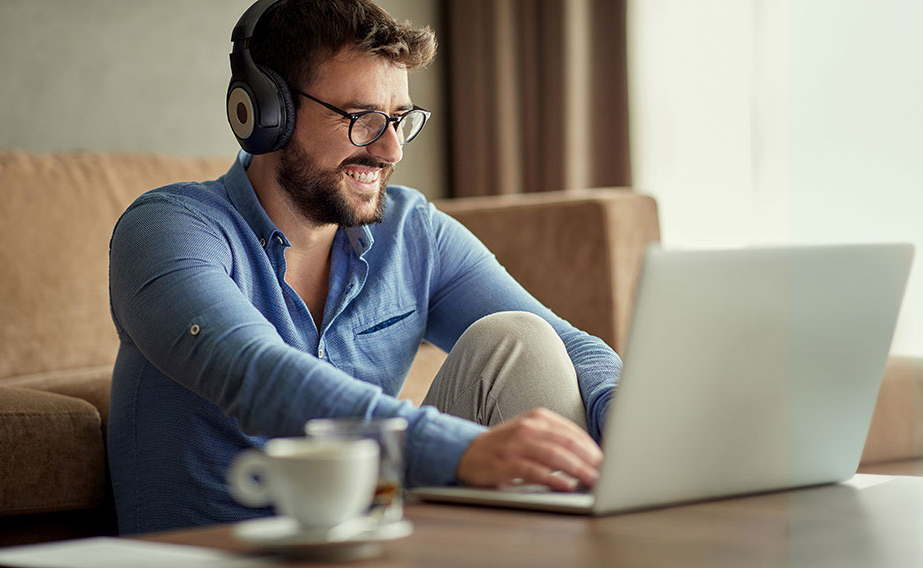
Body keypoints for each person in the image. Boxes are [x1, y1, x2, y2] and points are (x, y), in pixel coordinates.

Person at [107, 0, 621, 533]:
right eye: (363, 119)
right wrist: (460, 451)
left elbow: (574, 347)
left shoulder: (412, 231)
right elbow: (258, 375)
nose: (391, 148)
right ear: (267, 114)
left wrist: (631, 421)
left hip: (377, 541)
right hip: (221, 554)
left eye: (399, 119)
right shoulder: (167, 230)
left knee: (521, 339)